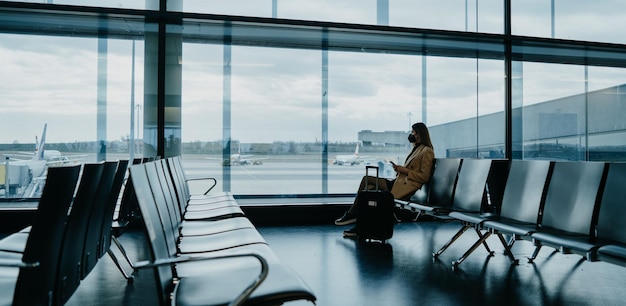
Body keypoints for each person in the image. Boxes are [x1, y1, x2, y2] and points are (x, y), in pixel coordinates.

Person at [335, 122, 435, 237]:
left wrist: (404, 170)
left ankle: (353, 214)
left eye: (413, 132)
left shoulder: (427, 151)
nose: (411, 134)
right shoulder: (417, 149)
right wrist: (399, 169)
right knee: (369, 189)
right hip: (398, 183)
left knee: (367, 180)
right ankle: (361, 226)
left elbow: (424, 176)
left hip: (405, 188)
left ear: (419, 133)